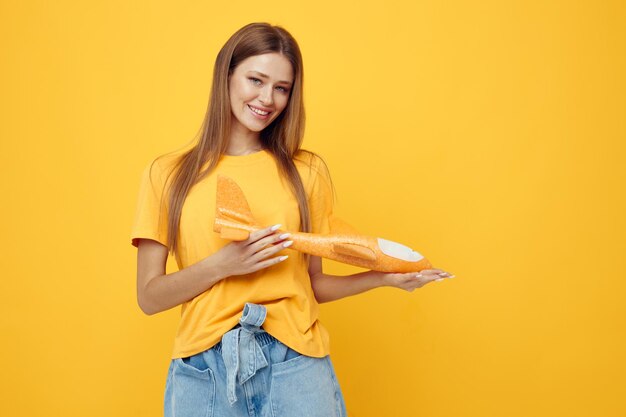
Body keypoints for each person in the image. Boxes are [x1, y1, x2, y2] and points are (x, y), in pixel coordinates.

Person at [130, 22, 453, 417]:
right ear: (226, 75)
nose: (267, 98)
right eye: (256, 80)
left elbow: (313, 284)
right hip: (204, 367)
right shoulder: (167, 175)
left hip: (294, 362)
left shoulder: (306, 172)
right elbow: (149, 296)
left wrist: (384, 278)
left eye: (281, 88)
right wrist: (224, 265)